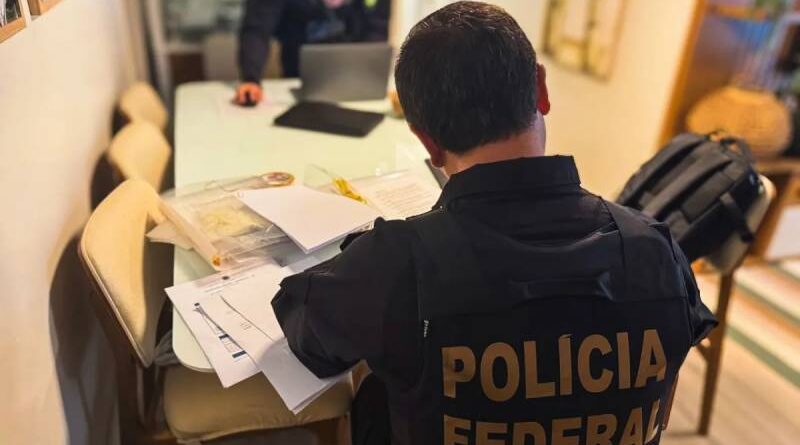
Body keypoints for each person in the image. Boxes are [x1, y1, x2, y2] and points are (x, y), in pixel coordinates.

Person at [271, 2, 717, 445]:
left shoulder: (397, 264)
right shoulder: (657, 252)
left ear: (427, 142)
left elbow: (306, 332)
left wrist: (360, 257)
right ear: (541, 89)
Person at [235, 0, 391, 106]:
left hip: (357, 85)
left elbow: (377, 27)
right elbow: (257, 29)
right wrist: (251, 78)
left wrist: (372, 73)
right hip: (297, 79)